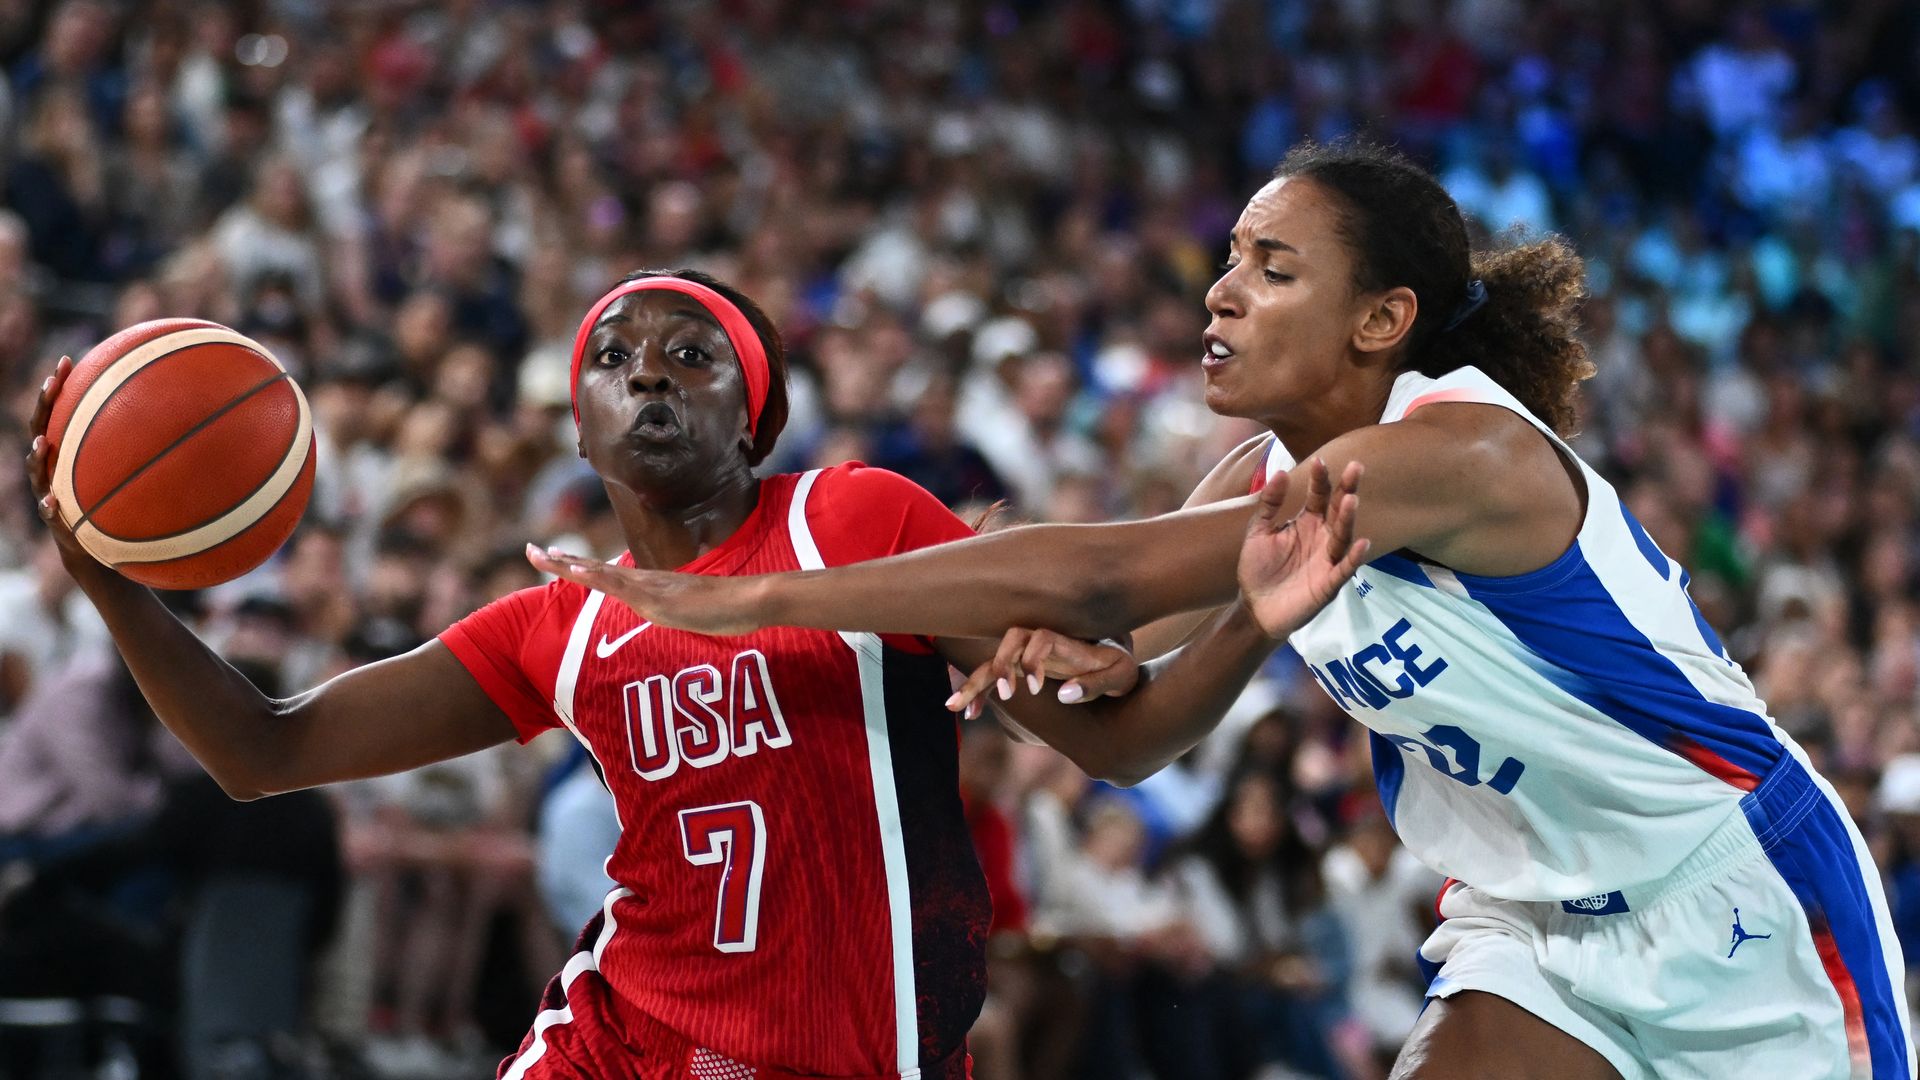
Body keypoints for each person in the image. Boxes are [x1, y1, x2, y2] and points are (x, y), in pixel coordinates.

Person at [527, 141, 1913, 1079]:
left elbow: (1101, 575)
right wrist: (1054, 674)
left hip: (1739, 895)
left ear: (1383, 323)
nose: (1221, 291)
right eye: (1230, 258)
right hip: (1529, 917)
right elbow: (1131, 736)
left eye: (1273, 270)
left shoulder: (1462, 456)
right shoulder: (1260, 479)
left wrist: (755, 595)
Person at [24, 267, 1368, 1079]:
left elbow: (1120, 739)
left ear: (753, 410)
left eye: (689, 354)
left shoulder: (853, 521)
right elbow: (263, 750)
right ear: (582, 425)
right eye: (612, 358)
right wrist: (107, 578)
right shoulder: (560, 623)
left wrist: (1257, 604)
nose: (647, 374)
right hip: (628, 1040)